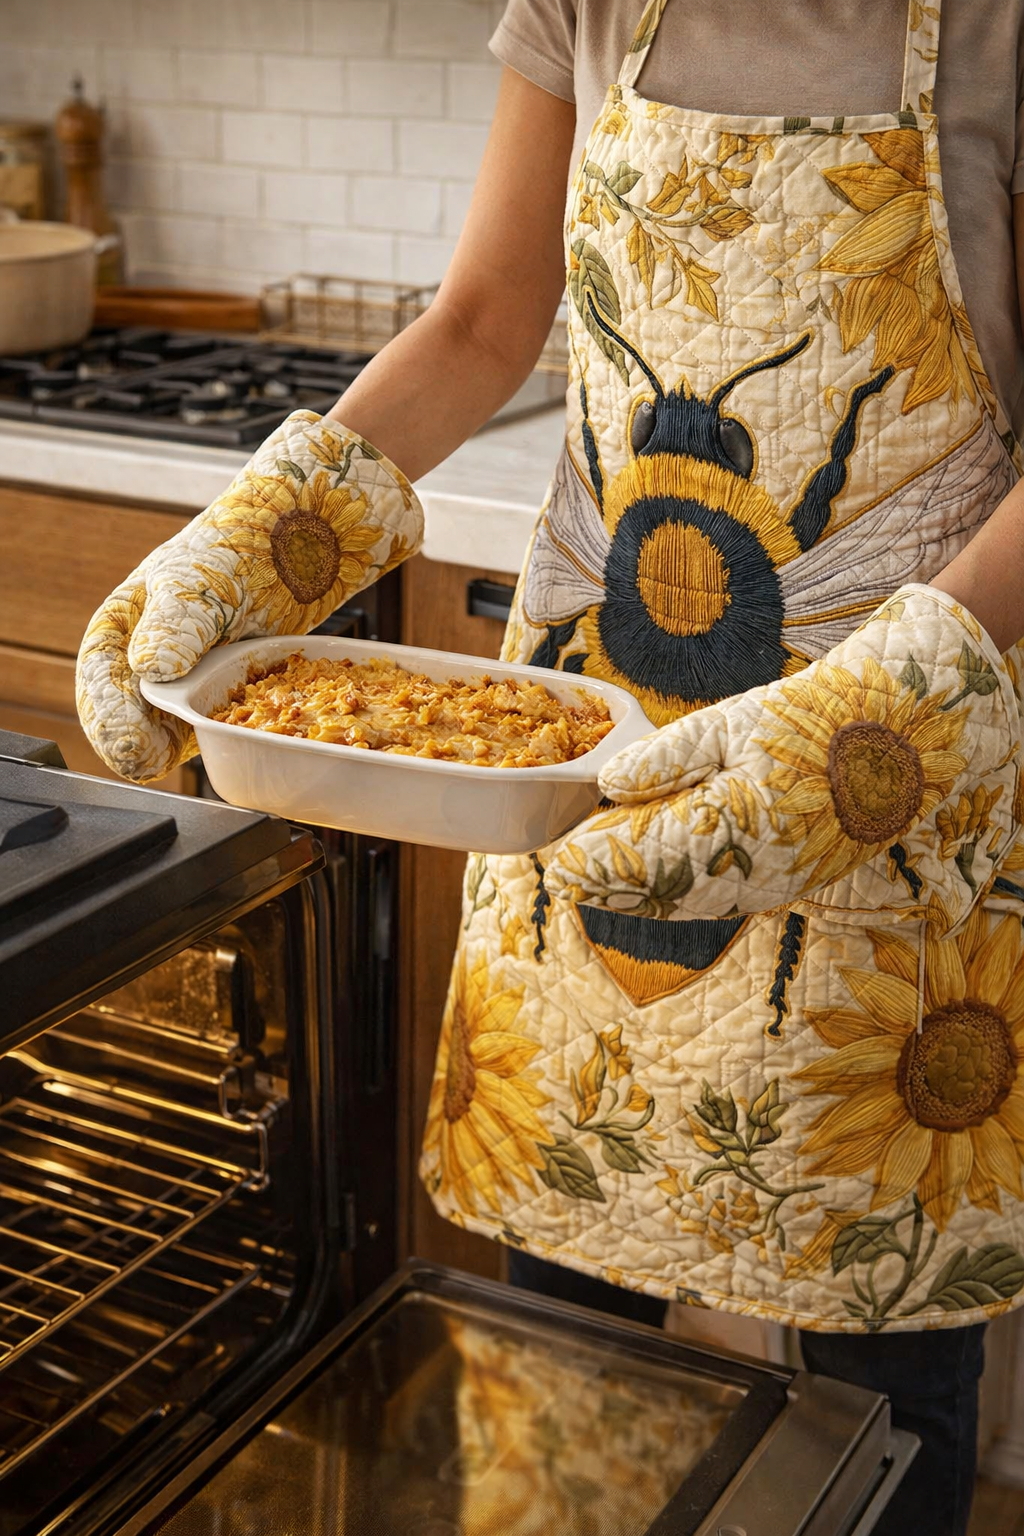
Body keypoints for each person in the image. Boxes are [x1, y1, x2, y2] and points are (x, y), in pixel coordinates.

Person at [76, 2, 1024, 1531]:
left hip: (879, 799)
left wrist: (882, 715)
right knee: (557, 1341)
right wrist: (270, 537)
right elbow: (480, 322)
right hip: (579, 783)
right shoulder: (587, 5)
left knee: (881, 1370)